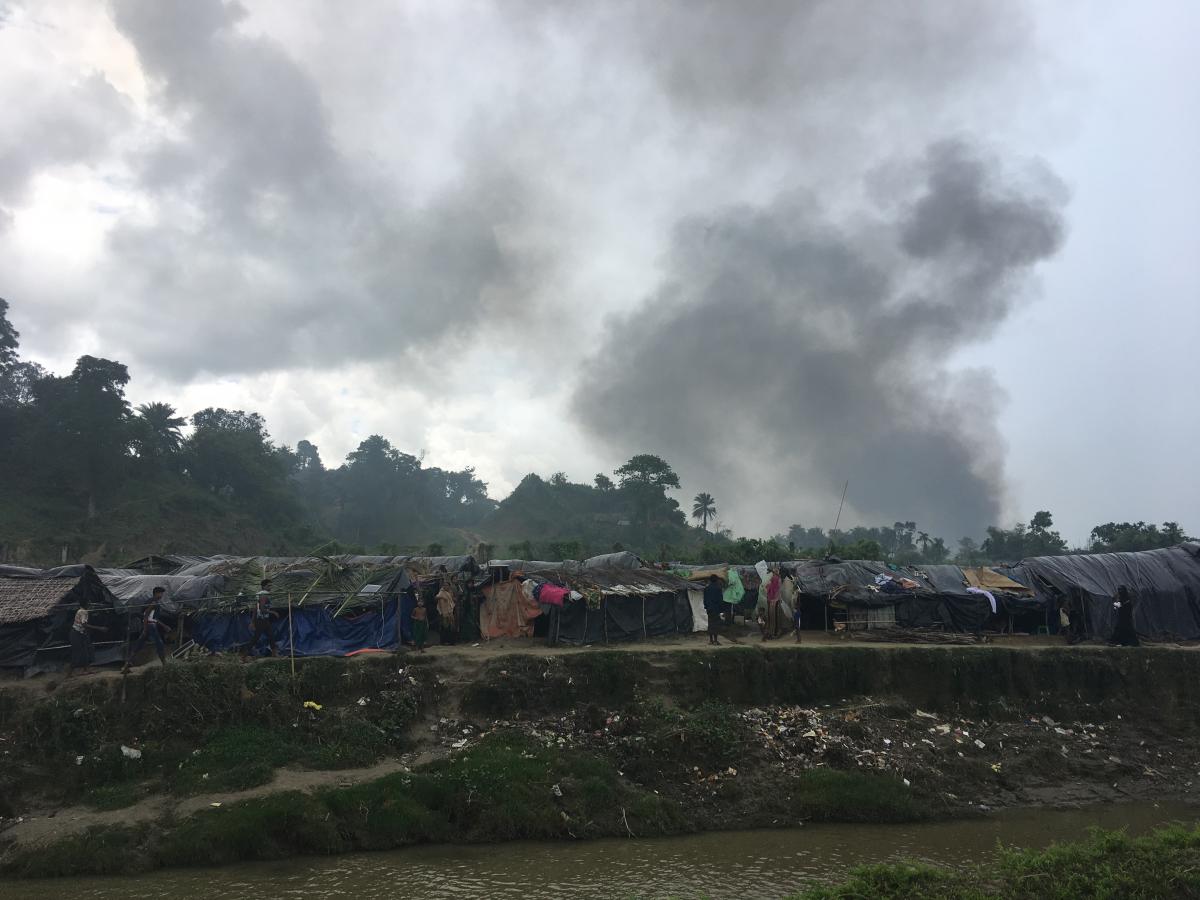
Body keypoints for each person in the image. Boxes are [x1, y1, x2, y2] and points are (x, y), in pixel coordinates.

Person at [122, 587, 170, 673]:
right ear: (156, 593)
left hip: (149, 624)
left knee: (139, 645)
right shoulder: (153, 602)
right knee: (160, 644)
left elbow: (152, 617)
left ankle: (126, 666)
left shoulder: (151, 601)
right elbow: (146, 614)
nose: (162, 595)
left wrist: (164, 626)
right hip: (150, 625)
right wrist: (145, 628)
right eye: (161, 593)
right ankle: (165, 665)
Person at [66, 599, 105, 677]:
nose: (90, 604)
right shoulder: (84, 612)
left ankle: (86, 669)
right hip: (77, 634)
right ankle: (69, 673)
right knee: (78, 653)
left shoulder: (80, 610)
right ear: (87, 604)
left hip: (78, 633)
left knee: (85, 651)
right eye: (89, 603)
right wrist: (99, 628)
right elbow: (84, 624)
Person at [248, 579, 279, 657]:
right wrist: (273, 612)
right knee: (256, 638)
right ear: (263, 586)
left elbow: (256, 609)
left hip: (263, 620)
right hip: (261, 620)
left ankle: (274, 654)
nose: (270, 587)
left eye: (270, 585)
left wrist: (252, 621)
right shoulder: (264, 595)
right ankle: (244, 655)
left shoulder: (260, 595)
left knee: (271, 636)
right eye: (268, 586)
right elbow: (262, 609)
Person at [703, 575, 724, 646]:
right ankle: (715, 640)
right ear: (717, 580)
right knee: (716, 624)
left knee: (710, 624)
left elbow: (705, 600)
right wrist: (721, 609)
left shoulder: (706, 588)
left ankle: (711, 640)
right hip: (716, 609)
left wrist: (706, 607)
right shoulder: (718, 588)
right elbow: (720, 600)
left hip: (709, 609)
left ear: (710, 580)